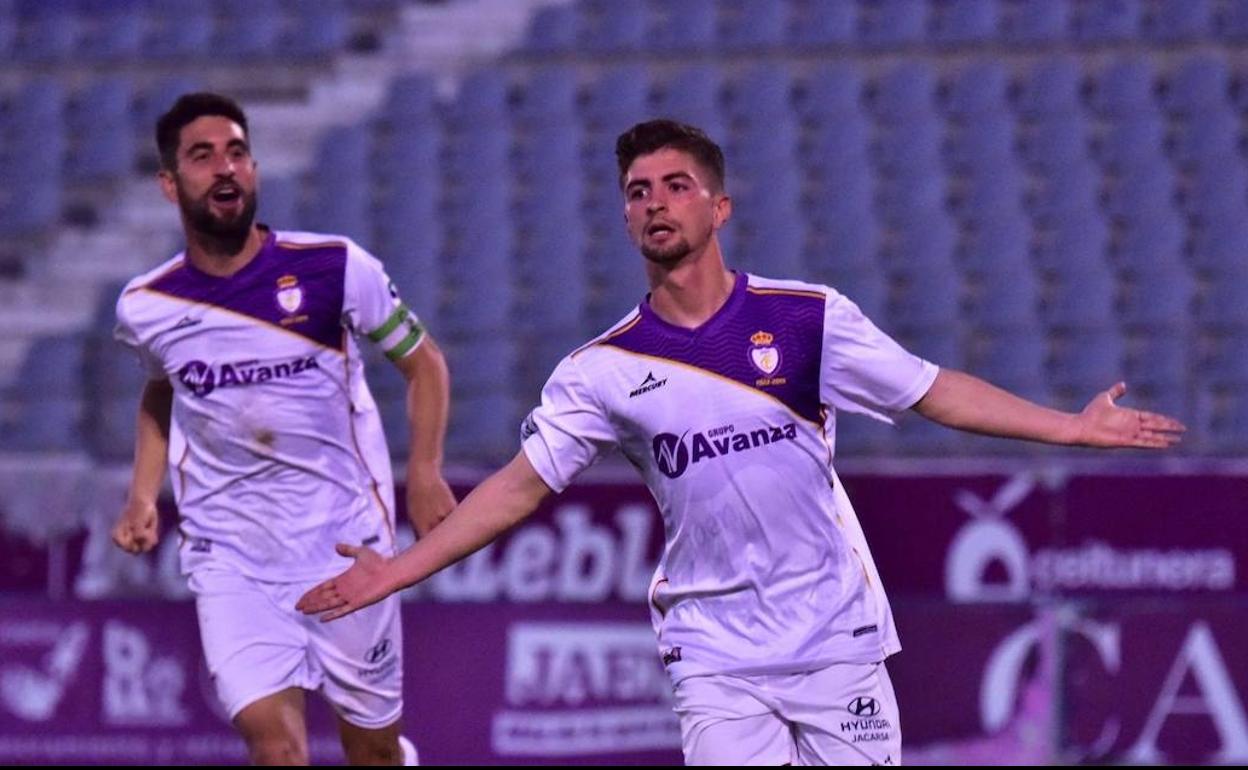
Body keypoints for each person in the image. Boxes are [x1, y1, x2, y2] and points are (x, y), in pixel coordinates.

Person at [296, 119, 1185, 765]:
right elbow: (518, 489)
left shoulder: (806, 320)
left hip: (836, 637)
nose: (654, 202)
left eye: (675, 185)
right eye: (637, 191)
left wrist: (1068, 425)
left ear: (719, 206)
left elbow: (932, 391)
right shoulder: (602, 370)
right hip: (716, 649)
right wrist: (396, 570)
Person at [110, 92, 455, 766]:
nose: (225, 168)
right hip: (230, 557)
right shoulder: (147, 306)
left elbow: (426, 365)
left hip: (345, 545)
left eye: (237, 152)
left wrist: (425, 471)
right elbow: (161, 389)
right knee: (276, 750)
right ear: (169, 183)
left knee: (373, 752)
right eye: (203, 156)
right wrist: (142, 495)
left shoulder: (334, 269)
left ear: (256, 169)